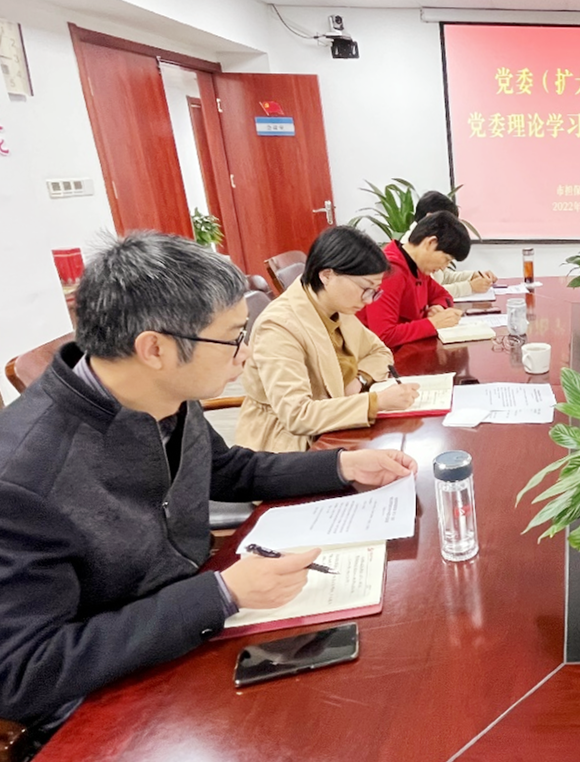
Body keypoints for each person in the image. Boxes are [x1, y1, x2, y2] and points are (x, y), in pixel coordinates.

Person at [0, 232, 416, 729]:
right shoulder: (24, 478)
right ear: (154, 348)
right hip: (110, 700)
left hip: (192, 623)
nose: (246, 354)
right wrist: (220, 593)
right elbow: (23, 672)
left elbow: (226, 469)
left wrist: (342, 466)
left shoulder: (163, 391)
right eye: (233, 337)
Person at [236, 226, 419, 453]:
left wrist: (360, 380)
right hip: (290, 444)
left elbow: (380, 352)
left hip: (338, 423)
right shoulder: (279, 326)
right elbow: (297, 415)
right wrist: (376, 402)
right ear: (327, 275)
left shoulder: (336, 304)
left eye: (375, 291)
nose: (369, 301)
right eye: (365, 289)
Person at [357, 210, 473, 347]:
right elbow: (384, 335)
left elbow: (443, 295)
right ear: (431, 243)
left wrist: (438, 307)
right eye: (446, 259)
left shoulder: (416, 266)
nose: (443, 267)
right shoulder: (390, 271)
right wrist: (433, 323)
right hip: (378, 353)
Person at [414, 190, 496, 298]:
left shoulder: (427, 247)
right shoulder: (414, 252)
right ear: (430, 218)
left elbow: (443, 278)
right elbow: (429, 293)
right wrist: (470, 287)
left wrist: (472, 276)